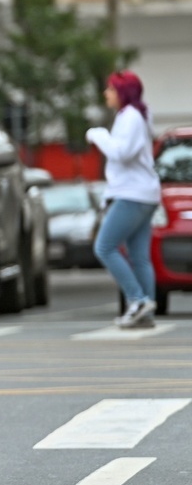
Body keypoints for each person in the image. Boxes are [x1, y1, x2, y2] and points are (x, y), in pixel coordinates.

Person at [85, 70, 161, 328]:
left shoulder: (130, 117)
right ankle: (146, 311)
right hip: (144, 193)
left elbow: (122, 153)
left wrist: (98, 135)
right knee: (139, 257)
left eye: (110, 89)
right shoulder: (139, 115)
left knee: (104, 247)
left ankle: (137, 300)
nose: (106, 93)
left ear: (122, 92)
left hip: (132, 194)